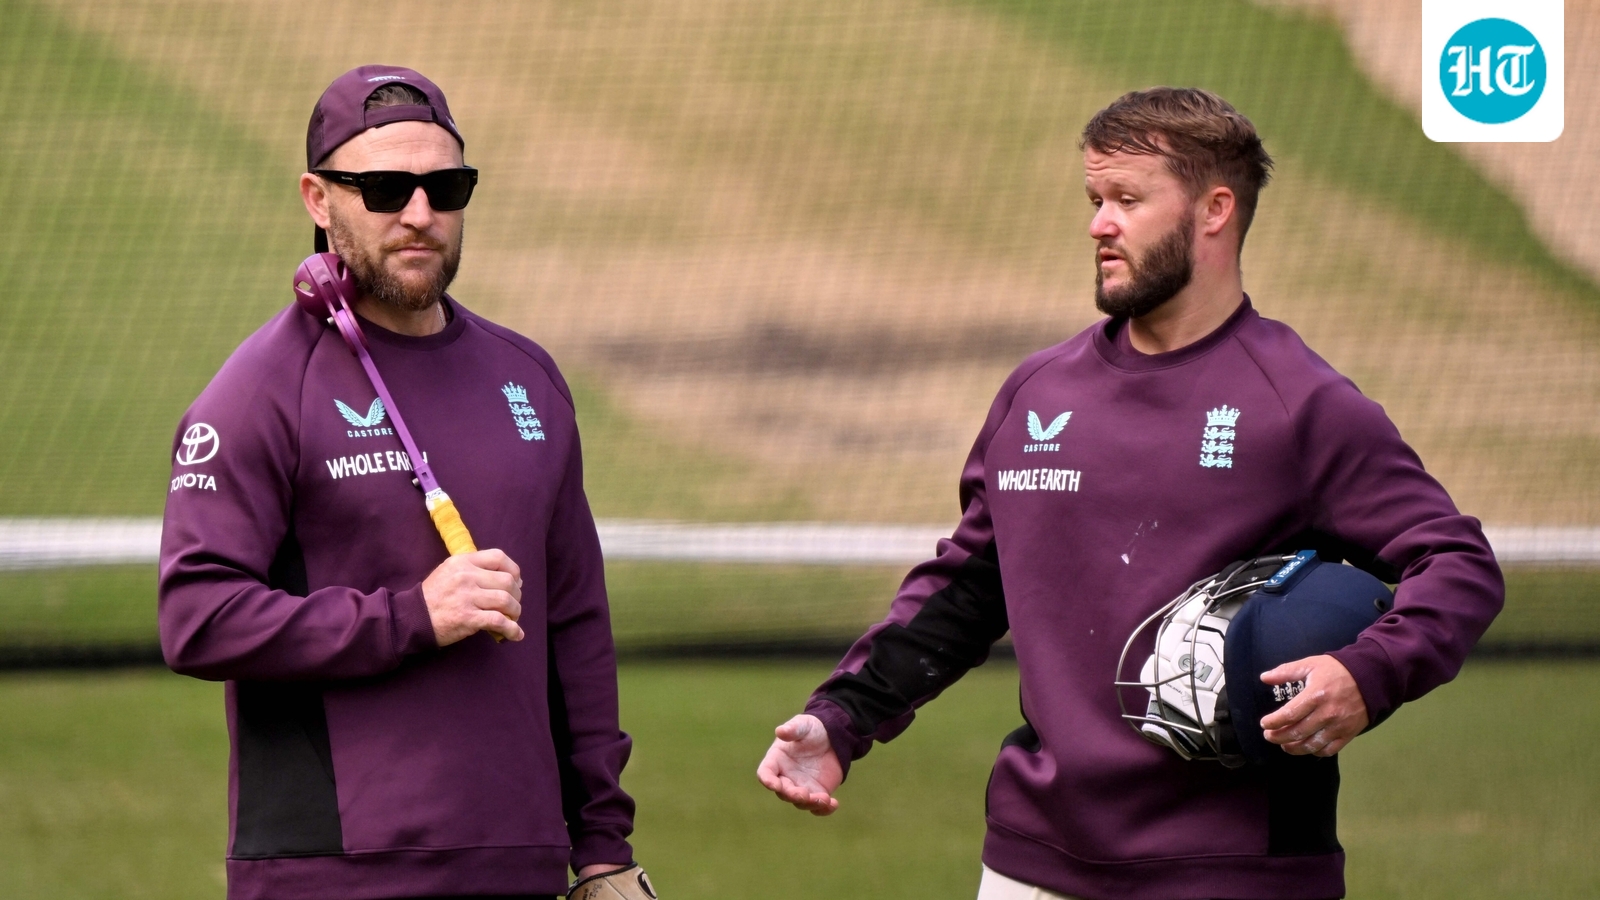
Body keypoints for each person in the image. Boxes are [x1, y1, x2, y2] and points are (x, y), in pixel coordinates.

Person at [756, 87, 1503, 900]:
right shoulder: (1039, 393)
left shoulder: (1300, 404)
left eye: (1127, 200)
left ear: (1215, 210)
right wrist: (840, 719)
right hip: (1031, 865)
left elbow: (1457, 562)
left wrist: (1368, 673)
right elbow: (967, 590)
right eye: (1094, 200)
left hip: (1236, 874)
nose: (1099, 225)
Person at [160, 65, 655, 900]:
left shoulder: (528, 379)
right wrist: (410, 617)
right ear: (319, 200)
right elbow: (197, 618)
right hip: (329, 878)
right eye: (386, 188)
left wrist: (603, 846)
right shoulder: (260, 392)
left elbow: (574, 627)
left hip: (520, 865)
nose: (420, 213)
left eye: (445, 188)